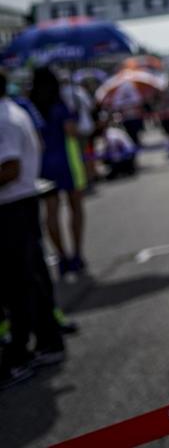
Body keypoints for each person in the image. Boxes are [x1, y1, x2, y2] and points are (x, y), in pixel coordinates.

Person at [1, 71, 67, 390]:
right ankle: (46, 341)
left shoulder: (4, 118)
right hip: (20, 202)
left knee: (20, 282)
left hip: (13, 204)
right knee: (31, 277)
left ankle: (22, 354)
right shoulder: (14, 112)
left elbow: (9, 168)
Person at [29, 69, 88, 278]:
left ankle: (62, 256)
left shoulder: (31, 105)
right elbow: (71, 131)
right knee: (75, 207)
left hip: (43, 164)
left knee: (51, 212)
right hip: (67, 162)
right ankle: (77, 254)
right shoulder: (61, 103)